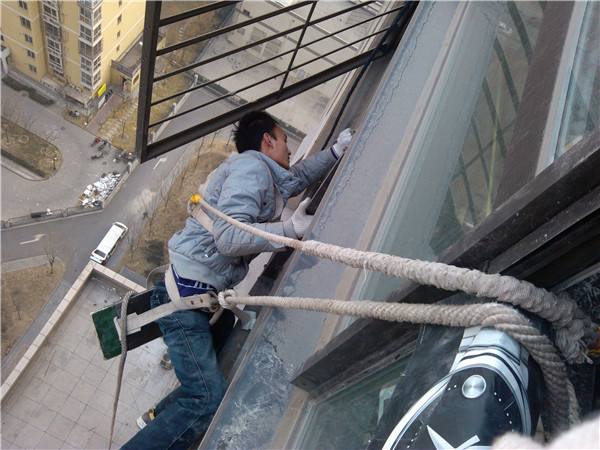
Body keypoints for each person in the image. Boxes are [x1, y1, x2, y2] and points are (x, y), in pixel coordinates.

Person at [122, 111, 353, 449]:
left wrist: (334, 153)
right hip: (183, 304)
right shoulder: (251, 170)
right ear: (267, 140)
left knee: (215, 361)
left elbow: (295, 178)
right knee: (206, 399)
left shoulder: (260, 171)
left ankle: (157, 418)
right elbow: (229, 239)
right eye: (284, 140)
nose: (290, 149)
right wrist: (288, 230)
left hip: (192, 297)